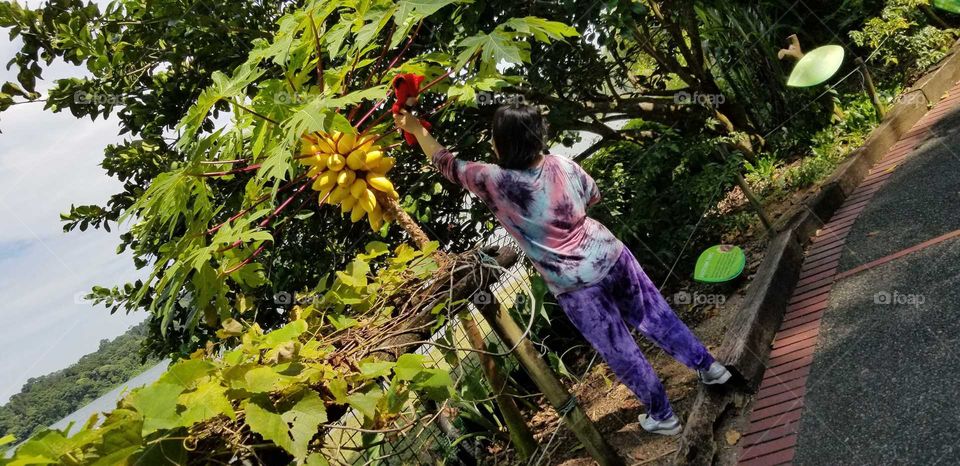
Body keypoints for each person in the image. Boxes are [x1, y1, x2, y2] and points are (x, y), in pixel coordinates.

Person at [393, 103, 731, 436]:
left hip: (575, 283)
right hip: (610, 255)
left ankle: (663, 414)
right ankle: (710, 367)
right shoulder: (563, 164)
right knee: (655, 315)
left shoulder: (493, 180)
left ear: (501, 144)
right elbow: (592, 197)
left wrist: (416, 129)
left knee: (618, 347)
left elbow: (446, 163)